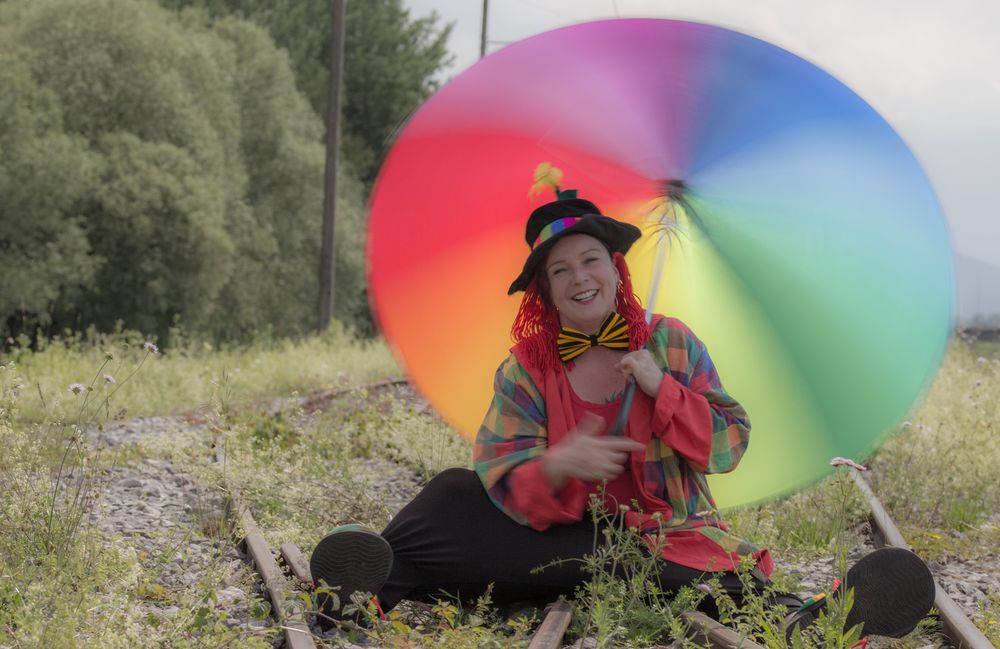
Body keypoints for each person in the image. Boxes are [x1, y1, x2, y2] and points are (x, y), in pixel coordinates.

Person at [309, 192, 935, 639]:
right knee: (449, 495)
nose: (579, 277)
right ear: (547, 292)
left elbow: (728, 447)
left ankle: (816, 618)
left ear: (616, 269)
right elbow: (499, 470)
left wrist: (664, 389)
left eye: (591, 261)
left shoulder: (673, 343)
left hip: (657, 539)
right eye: (560, 270)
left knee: (699, 577)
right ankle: (359, 592)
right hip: (558, 536)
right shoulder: (527, 368)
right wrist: (559, 463)